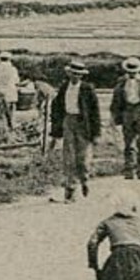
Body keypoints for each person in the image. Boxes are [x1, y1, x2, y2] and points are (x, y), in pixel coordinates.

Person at [49, 59, 101, 202]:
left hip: (83, 124)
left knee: (83, 157)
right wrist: (56, 130)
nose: (75, 77)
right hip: (68, 121)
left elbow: (95, 112)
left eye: (78, 74)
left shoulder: (87, 89)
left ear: (82, 76)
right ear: (68, 74)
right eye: (73, 74)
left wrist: (96, 133)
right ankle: (70, 188)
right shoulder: (64, 87)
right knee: (68, 157)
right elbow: (57, 108)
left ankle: (84, 180)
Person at [109, 57, 140, 180]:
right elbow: (116, 99)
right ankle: (129, 169)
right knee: (128, 142)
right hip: (127, 111)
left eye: (134, 71)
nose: (132, 74)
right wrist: (115, 116)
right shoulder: (121, 81)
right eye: (130, 71)